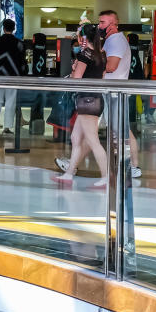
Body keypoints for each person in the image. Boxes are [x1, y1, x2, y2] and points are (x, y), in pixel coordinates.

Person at [52, 23, 108, 188]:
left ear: (83, 38)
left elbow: (76, 80)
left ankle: (106, 176)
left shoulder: (85, 55)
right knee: (76, 138)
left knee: (92, 140)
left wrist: (74, 68)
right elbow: (102, 76)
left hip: (86, 101)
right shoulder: (102, 54)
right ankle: (69, 173)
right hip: (95, 99)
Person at [99, 10, 141, 177]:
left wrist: (92, 63)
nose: (99, 26)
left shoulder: (116, 40)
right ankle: (129, 165)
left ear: (113, 24)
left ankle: (133, 166)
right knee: (118, 130)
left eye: (102, 22)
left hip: (116, 93)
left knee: (122, 131)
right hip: (111, 92)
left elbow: (111, 66)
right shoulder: (111, 40)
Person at [0, 18, 28, 135]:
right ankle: (6, 127)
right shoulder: (19, 43)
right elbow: (23, 62)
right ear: (14, 29)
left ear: (3, 28)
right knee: (10, 102)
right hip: (13, 77)